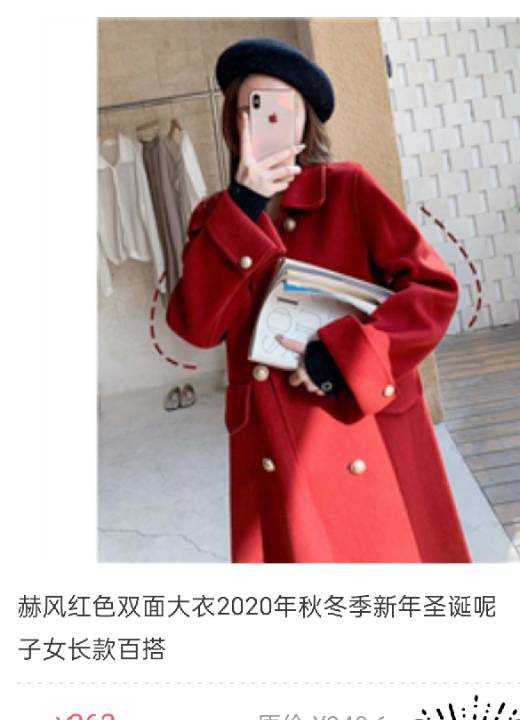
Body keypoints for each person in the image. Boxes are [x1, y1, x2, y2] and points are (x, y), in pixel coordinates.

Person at [166, 37, 471, 564]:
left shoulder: (348, 189)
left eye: (281, 108)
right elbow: (196, 327)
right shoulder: (215, 218)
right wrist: (244, 207)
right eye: (252, 107)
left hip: (358, 423)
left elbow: (433, 291)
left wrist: (349, 356)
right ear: (233, 123)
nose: (266, 121)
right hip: (273, 440)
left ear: (305, 121)